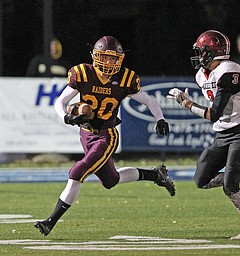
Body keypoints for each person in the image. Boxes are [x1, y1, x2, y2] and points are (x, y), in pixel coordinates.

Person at [34, 35, 175, 236]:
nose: (108, 62)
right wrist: (66, 117)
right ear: (95, 56)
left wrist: (160, 118)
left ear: (119, 59)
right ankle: (156, 175)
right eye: (104, 57)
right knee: (111, 180)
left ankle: (50, 222)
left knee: (77, 172)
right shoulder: (83, 73)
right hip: (86, 134)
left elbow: (149, 101)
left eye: (112, 58)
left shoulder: (125, 79)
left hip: (106, 136)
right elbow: (60, 101)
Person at [167, 30, 240, 240]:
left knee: (230, 186)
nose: (199, 56)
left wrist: (187, 104)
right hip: (222, 133)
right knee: (201, 179)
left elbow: (214, 113)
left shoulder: (230, 70)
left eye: (201, 52)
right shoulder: (201, 75)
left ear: (212, 52)